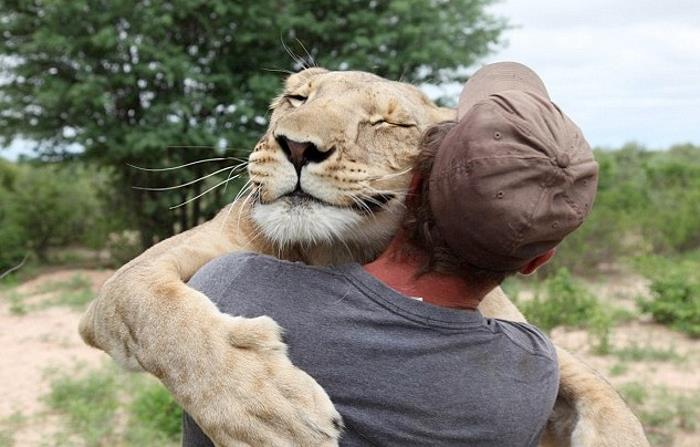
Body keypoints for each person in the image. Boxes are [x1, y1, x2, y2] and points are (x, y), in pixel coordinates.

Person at [181, 62, 598, 446]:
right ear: (537, 261)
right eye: (297, 99)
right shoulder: (533, 371)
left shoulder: (232, 286)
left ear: (416, 183)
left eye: (392, 123)